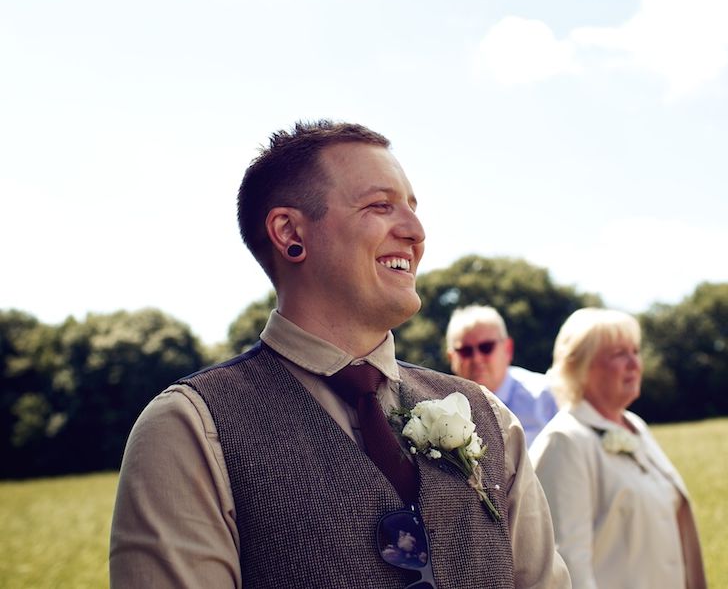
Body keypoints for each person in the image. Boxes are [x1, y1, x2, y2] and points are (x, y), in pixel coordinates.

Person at [110, 120, 570, 588]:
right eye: (380, 206)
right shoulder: (190, 431)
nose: (416, 232)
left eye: (412, 208)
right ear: (291, 232)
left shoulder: (488, 417)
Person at [529, 307, 707, 589]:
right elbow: (568, 564)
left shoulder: (635, 425)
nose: (634, 363)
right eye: (619, 354)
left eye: (635, 351)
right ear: (580, 365)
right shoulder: (564, 441)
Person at [446, 305, 558, 446]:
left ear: (508, 349)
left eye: (486, 347)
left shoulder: (545, 396)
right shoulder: (443, 409)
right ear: (451, 358)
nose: (476, 358)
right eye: (465, 351)